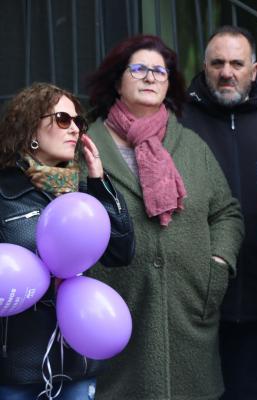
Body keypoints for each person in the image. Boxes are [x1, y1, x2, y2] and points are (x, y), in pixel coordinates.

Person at [85, 35, 244, 400]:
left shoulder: (190, 145)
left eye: (160, 71)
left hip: (188, 312)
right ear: (117, 80)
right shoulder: (88, 145)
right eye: (138, 69)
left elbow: (226, 213)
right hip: (116, 309)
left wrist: (217, 266)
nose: (150, 77)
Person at [179, 25, 257, 400]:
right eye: (217, 63)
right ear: (204, 66)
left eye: (236, 63)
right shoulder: (175, 124)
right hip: (190, 301)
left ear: (254, 70)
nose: (226, 71)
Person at [0, 82, 135, 399]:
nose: (74, 128)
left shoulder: (83, 191)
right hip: (18, 362)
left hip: (76, 362)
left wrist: (100, 183)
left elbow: (121, 252)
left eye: (78, 121)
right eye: (63, 119)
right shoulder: (4, 192)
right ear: (31, 127)